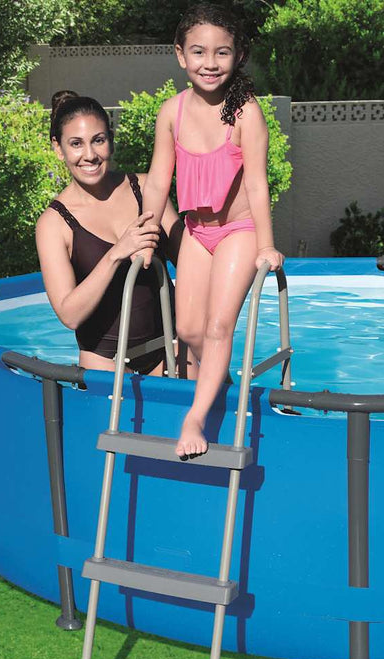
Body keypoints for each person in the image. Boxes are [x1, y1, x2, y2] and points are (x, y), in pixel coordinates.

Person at [141, 3, 285, 457]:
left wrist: (266, 245)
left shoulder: (246, 114)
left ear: (238, 56)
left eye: (222, 52)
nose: (210, 62)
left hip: (238, 230)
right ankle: (221, 384)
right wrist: (146, 233)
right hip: (196, 232)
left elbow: (258, 184)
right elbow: (158, 180)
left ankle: (195, 417)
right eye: (199, 52)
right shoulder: (172, 112)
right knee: (188, 329)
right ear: (180, 55)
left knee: (219, 326)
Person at [35, 91, 184, 375]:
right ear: (58, 148)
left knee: (218, 400)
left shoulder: (147, 189)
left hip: (169, 347)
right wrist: (116, 254)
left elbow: (190, 264)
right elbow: (70, 315)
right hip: (105, 360)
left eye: (98, 140)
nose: (89, 155)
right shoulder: (53, 223)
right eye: (76, 144)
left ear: (111, 141)